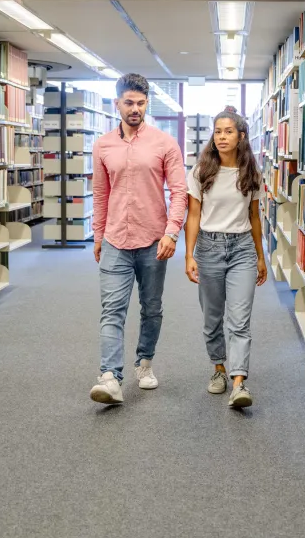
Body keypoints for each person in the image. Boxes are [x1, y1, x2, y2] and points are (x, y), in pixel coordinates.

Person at [89, 73, 187, 405]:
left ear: (147, 104)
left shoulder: (164, 143)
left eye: (141, 103)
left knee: (152, 307)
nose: (135, 109)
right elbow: (100, 195)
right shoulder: (102, 145)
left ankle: (144, 364)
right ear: (117, 103)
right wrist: (98, 235)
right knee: (112, 309)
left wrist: (173, 232)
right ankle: (110, 377)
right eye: (129, 103)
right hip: (116, 239)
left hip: (153, 239)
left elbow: (179, 192)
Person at [184, 106, 267, 408]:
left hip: (242, 248)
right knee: (212, 318)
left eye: (228, 131)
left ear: (241, 135)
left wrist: (260, 256)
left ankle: (238, 382)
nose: (221, 137)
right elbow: (193, 215)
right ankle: (218, 368)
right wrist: (189, 255)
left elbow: (254, 216)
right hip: (209, 248)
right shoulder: (201, 170)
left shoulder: (251, 172)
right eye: (218, 131)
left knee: (240, 320)